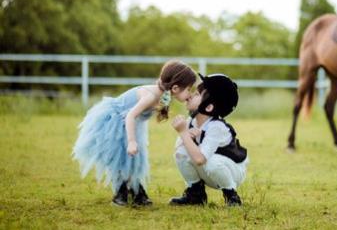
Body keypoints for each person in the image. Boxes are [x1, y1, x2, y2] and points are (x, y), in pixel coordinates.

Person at [72, 60, 196, 206]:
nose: (190, 93)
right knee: (122, 158)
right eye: (189, 89)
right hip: (115, 122)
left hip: (131, 124)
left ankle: (137, 191)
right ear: (175, 88)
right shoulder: (150, 96)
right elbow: (130, 115)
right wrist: (131, 141)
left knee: (135, 158)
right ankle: (121, 193)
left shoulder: (163, 95)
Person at [170, 73, 248, 207]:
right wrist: (187, 136)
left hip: (232, 171)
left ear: (208, 107)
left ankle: (231, 195)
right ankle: (196, 194)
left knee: (211, 161)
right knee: (181, 152)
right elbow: (180, 151)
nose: (191, 95)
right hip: (211, 170)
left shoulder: (216, 126)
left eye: (198, 94)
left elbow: (200, 159)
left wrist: (183, 133)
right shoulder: (191, 121)